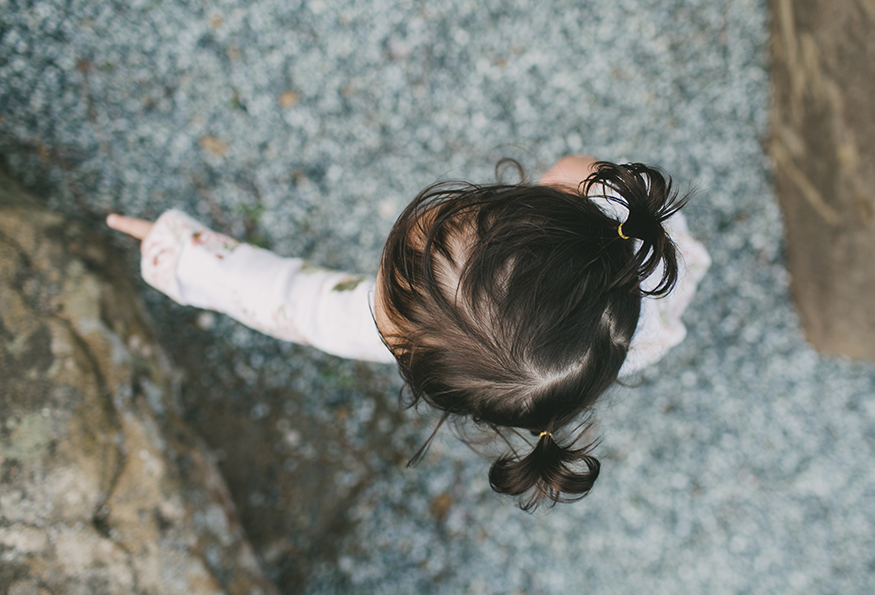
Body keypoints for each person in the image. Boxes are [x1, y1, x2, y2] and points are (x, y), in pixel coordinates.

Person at [107, 156, 709, 510]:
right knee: (669, 267)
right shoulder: (618, 210)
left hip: (630, 265)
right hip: (651, 273)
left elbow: (296, 301)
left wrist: (182, 257)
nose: (378, 294)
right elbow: (580, 171)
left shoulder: (401, 331)